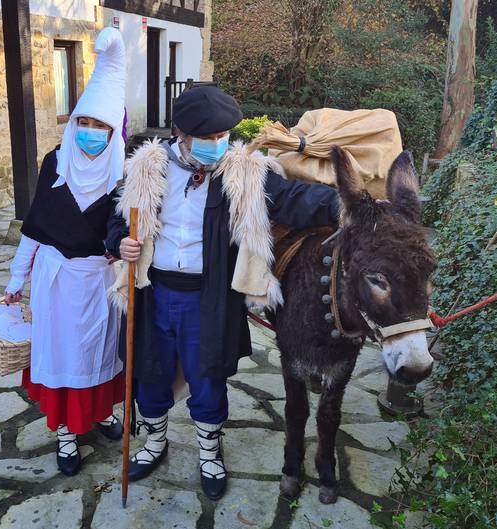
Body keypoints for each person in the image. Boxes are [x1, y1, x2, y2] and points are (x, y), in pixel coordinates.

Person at [105, 85, 341, 499]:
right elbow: (116, 216)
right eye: (209, 138)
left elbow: (295, 198)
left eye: (223, 136)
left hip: (207, 298)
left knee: (208, 377)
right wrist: (118, 242)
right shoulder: (148, 168)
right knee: (150, 372)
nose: (219, 145)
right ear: (181, 132)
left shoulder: (245, 173)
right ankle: (155, 444)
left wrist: (347, 205)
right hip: (153, 292)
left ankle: (209, 453)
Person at [4, 27, 127, 477]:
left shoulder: (122, 171)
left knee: (99, 350)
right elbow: (35, 227)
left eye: (101, 127)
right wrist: (16, 280)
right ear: (74, 123)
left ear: (114, 133)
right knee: (62, 353)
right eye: (85, 124)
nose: (91, 133)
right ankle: (66, 433)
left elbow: (128, 227)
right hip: (56, 279)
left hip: (98, 279)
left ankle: (102, 413)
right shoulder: (56, 162)